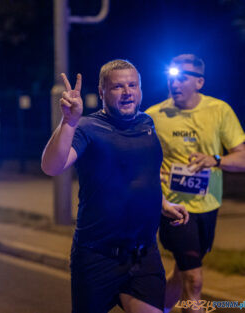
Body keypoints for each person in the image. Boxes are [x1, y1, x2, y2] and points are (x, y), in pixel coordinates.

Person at [41, 59, 189, 313]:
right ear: (102, 92)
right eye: (118, 87)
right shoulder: (87, 127)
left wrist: (163, 203)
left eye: (132, 85)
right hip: (96, 257)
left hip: (144, 255)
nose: (127, 92)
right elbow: (52, 166)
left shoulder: (147, 124)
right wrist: (68, 122)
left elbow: (145, 175)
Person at [145, 54, 245, 313]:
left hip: (209, 205)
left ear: (199, 82)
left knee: (181, 275)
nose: (174, 83)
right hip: (173, 208)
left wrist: (215, 160)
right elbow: (134, 158)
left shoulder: (219, 110)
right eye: (171, 77)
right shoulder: (154, 116)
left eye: (182, 78)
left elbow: (242, 157)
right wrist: (150, 173)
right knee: (195, 280)